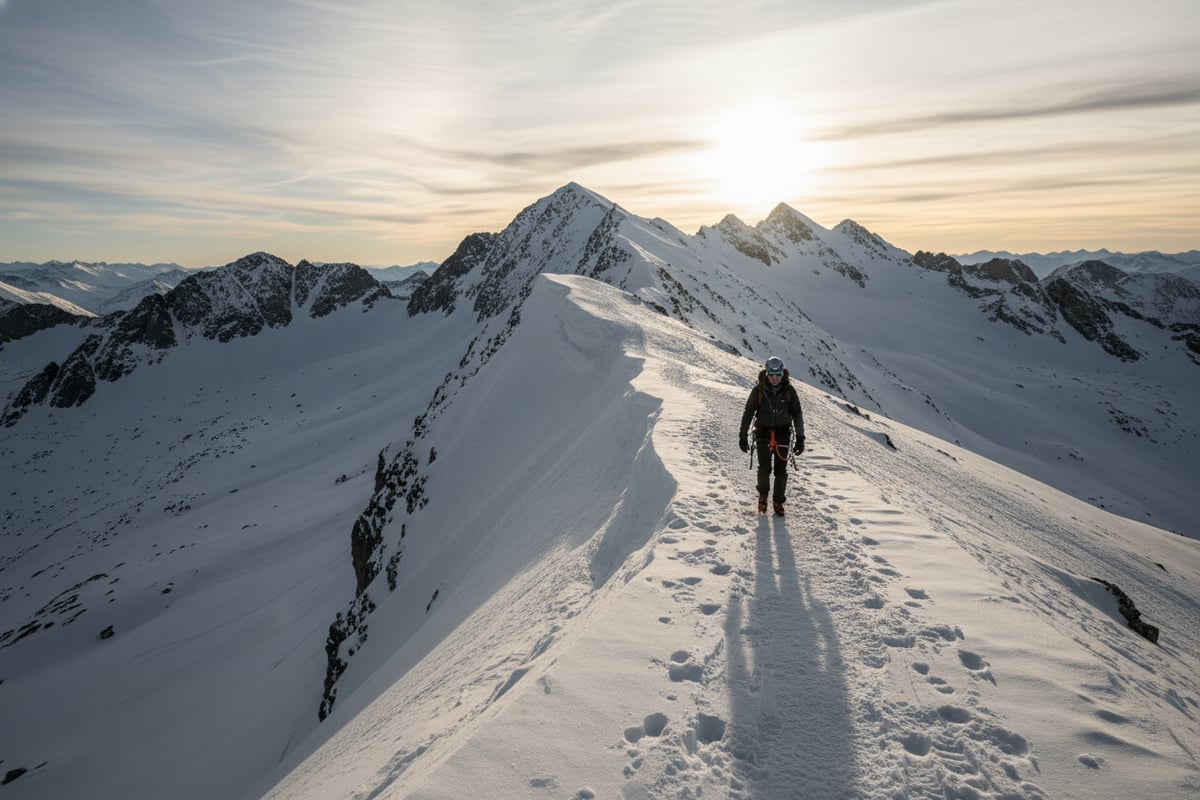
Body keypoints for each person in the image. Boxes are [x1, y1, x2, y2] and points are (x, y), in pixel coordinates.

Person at [738, 356, 805, 515]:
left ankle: (778, 501)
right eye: (772, 374)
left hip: (783, 435)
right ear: (767, 373)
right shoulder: (758, 391)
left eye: (778, 374)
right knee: (765, 468)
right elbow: (748, 413)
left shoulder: (789, 391)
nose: (775, 378)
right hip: (763, 434)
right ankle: (763, 495)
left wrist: (800, 438)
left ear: (783, 374)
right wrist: (742, 435)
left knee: (781, 471)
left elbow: (797, 415)